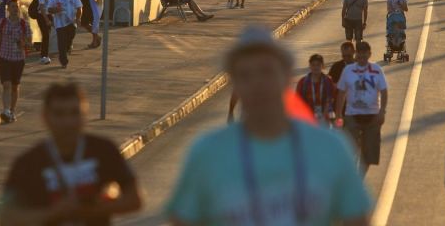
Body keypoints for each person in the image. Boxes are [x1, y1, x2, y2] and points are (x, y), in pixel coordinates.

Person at [166, 25, 373, 225]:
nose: (257, 84)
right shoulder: (208, 153)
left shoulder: (330, 148)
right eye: (245, 75)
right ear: (235, 86)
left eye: (266, 71)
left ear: (286, 78)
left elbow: (357, 220)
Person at [0, 83, 143, 226]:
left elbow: (135, 199)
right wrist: (53, 213)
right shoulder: (28, 162)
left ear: (85, 115)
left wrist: (90, 210)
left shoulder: (104, 151)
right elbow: (7, 217)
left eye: (75, 113)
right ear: (45, 117)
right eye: (59, 114)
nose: (68, 122)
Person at [335, 41, 388, 176]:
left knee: (369, 153)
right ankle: (350, 176)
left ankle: (359, 177)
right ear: (356, 54)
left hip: (372, 116)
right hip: (352, 115)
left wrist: (382, 112)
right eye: (360, 53)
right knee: (349, 148)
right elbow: (341, 93)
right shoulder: (348, 70)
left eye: (365, 54)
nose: (362, 57)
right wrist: (338, 115)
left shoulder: (376, 70)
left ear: (369, 54)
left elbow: (384, 91)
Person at [0, 0, 32, 123]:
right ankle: (5, 110)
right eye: (12, 7)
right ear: (8, 9)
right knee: (6, 85)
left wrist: (24, 43)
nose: (15, 9)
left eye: (16, 7)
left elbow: (29, 42)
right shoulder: (2, 23)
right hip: (4, 57)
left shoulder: (24, 24)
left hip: (18, 59)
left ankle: (11, 110)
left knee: (15, 86)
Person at [47, 0, 82, 69]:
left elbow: (79, 8)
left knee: (70, 37)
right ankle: (63, 61)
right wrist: (55, 10)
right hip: (59, 23)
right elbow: (49, 9)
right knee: (61, 42)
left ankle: (68, 46)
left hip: (71, 22)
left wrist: (78, 18)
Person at [295, 54, 337, 123]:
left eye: (318, 65)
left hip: (325, 119)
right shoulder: (303, 82)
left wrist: (324, 115)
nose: (316, 67)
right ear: (310, 66)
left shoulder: (328, 81)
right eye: (313, 65)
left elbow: (331, 99)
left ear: (323, 66)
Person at [36, 0, 56, 64]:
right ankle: (43, 55)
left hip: (47, 15)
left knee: (47, 36)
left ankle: (45, 54)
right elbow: (41, 7)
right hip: (42, 16)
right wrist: (47, 19)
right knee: (46, 35)